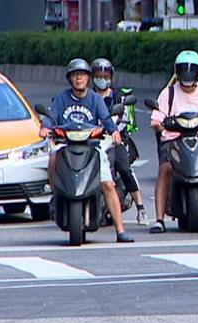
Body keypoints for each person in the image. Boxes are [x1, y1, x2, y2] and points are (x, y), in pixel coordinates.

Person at [40, 58, 134, 243]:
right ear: (70, 79)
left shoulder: (95, 99)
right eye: (75, 76)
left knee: (107, 183)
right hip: (66, 144)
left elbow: (106, 120)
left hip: (92, 147)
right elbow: (51, 117)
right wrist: (45, 127)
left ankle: (120, 230)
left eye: (82, 75)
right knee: (52, 158)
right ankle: (56, 192)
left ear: (88, 78)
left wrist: (114, 132)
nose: (78, 79)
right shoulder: (61, 98)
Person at [148, 50, 198, 233]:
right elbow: (158, 114)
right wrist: (157, 123)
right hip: (173, 140)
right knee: (165, 169)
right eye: (183, 69)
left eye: (191, 70)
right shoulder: (169, 93)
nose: (187, 74)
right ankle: (159, 219)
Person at [91, 58, 149, 226]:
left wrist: (115, 132)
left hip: (114, 140)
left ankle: (140, 208)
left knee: (124, 167)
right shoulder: (88, 97)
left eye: (105, 75)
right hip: (91, 141)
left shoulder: (119, 99)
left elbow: (125, 120)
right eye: (98, 75)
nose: (102, 79)